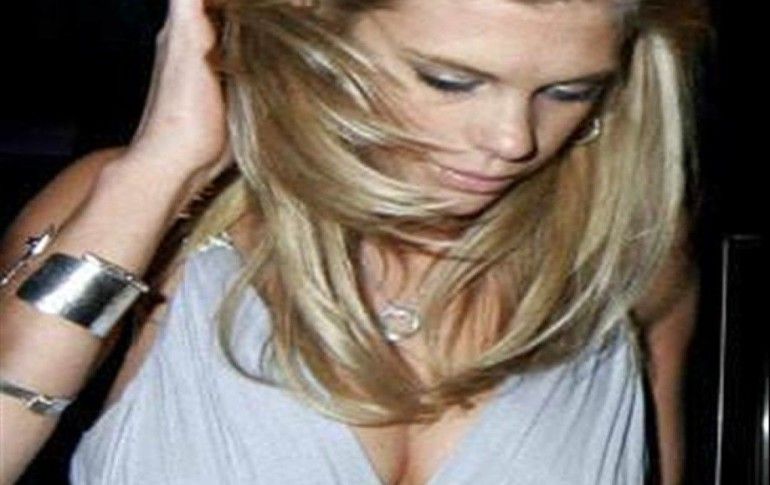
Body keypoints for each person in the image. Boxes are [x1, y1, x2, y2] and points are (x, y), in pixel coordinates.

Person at [0, 0, 708, 483]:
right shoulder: (144, 218)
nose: (512, 140)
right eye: (449, 80)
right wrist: (163, 165)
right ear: (317, 34)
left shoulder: (623, 254)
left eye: (569, 91)